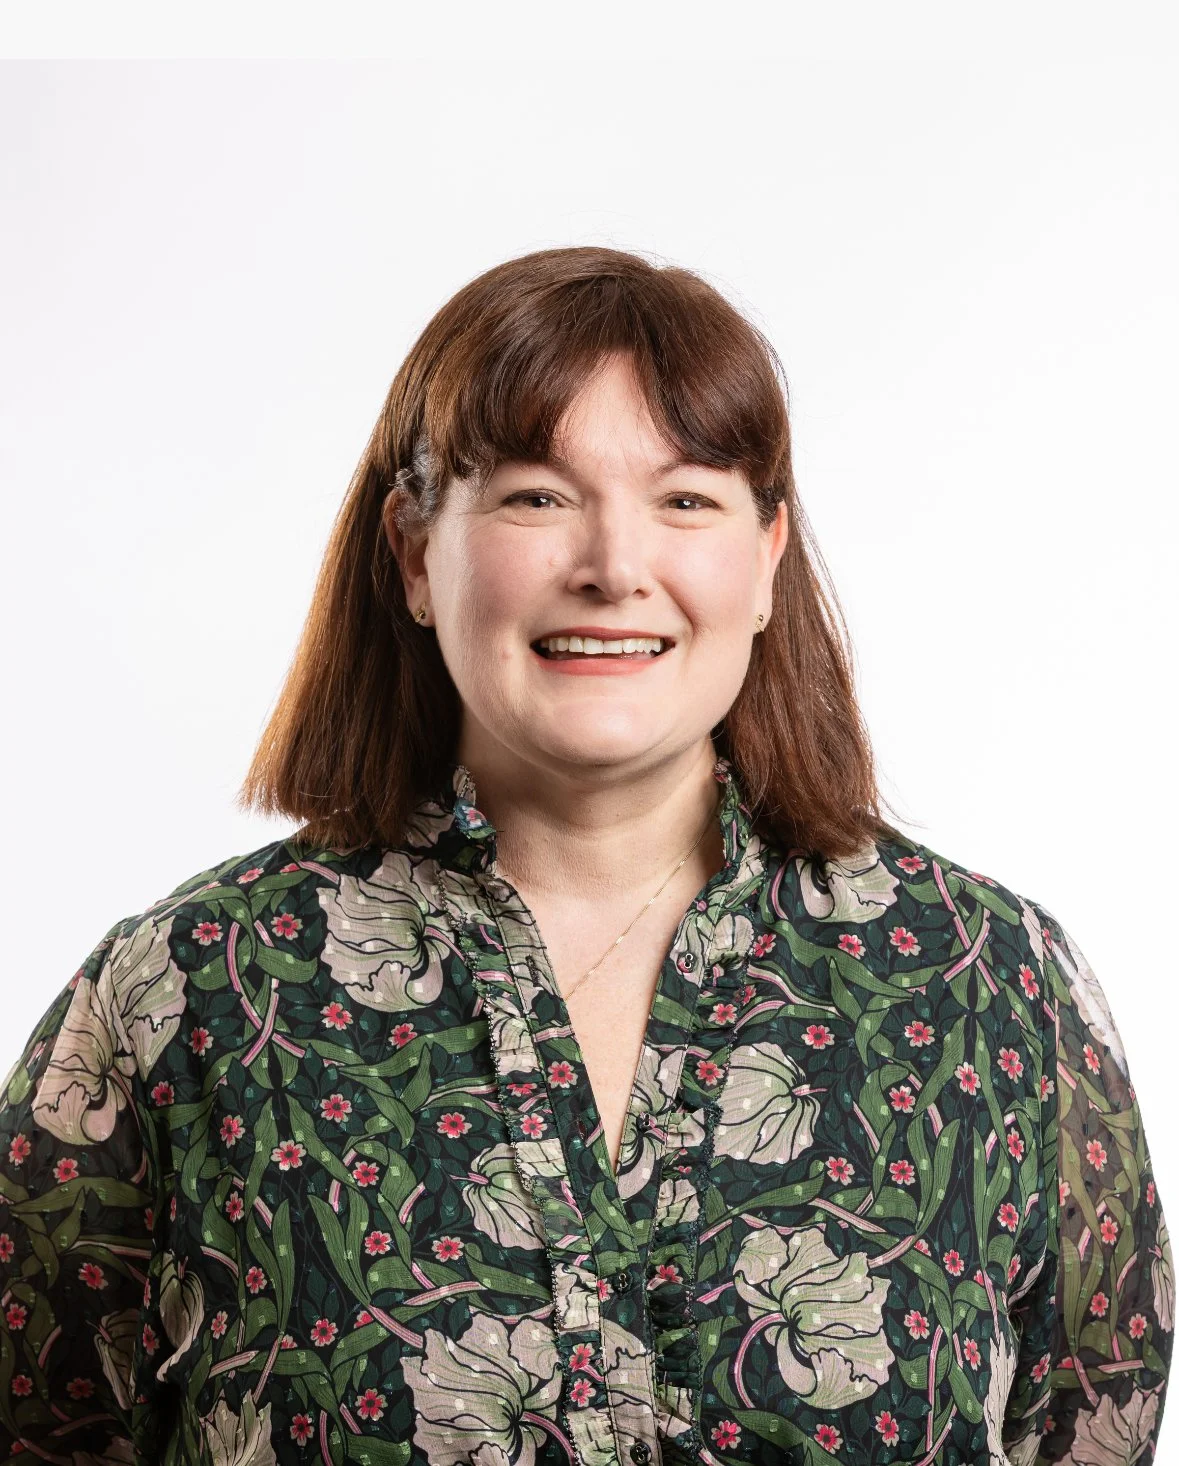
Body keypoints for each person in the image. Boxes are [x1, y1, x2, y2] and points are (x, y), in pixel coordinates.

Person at [0, 247, 1170, 1466]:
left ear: (766, 559)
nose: (615, 566)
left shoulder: (992, 991)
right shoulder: (187, 995)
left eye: (686, 499)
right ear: (412, 552)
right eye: (536, 495)